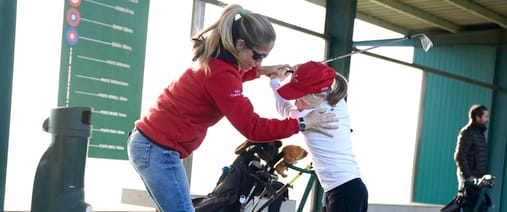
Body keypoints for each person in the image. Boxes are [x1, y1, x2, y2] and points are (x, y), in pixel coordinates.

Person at [127, 5, 338, 212]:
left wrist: (264, 71)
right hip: (157, 150)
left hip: (149, 145)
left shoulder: (217, 61)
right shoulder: (221, 75)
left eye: (264, 57)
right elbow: (253, 128)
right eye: (257, 56)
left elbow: (233, 77)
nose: (259, 62)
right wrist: (303, 123)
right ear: (239, 44)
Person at [269, 61, 368, 212]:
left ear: (319, 96)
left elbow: (284, 108)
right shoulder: (336, 101)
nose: (295, 102)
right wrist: (303, 71)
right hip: (341, 190)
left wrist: (274, 80)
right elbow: (324, 76)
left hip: (344, 192)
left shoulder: (314, 117)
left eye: (299, 98)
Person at [454, 104, 491, 210]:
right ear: (477, 117)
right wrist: (468, 176)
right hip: (470, 179)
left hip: (477, 179)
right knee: (470, 206)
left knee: (482, 205)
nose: (487, 119)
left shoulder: (479, 134)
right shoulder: (468, 132)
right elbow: (460, 155)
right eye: (485, 117)